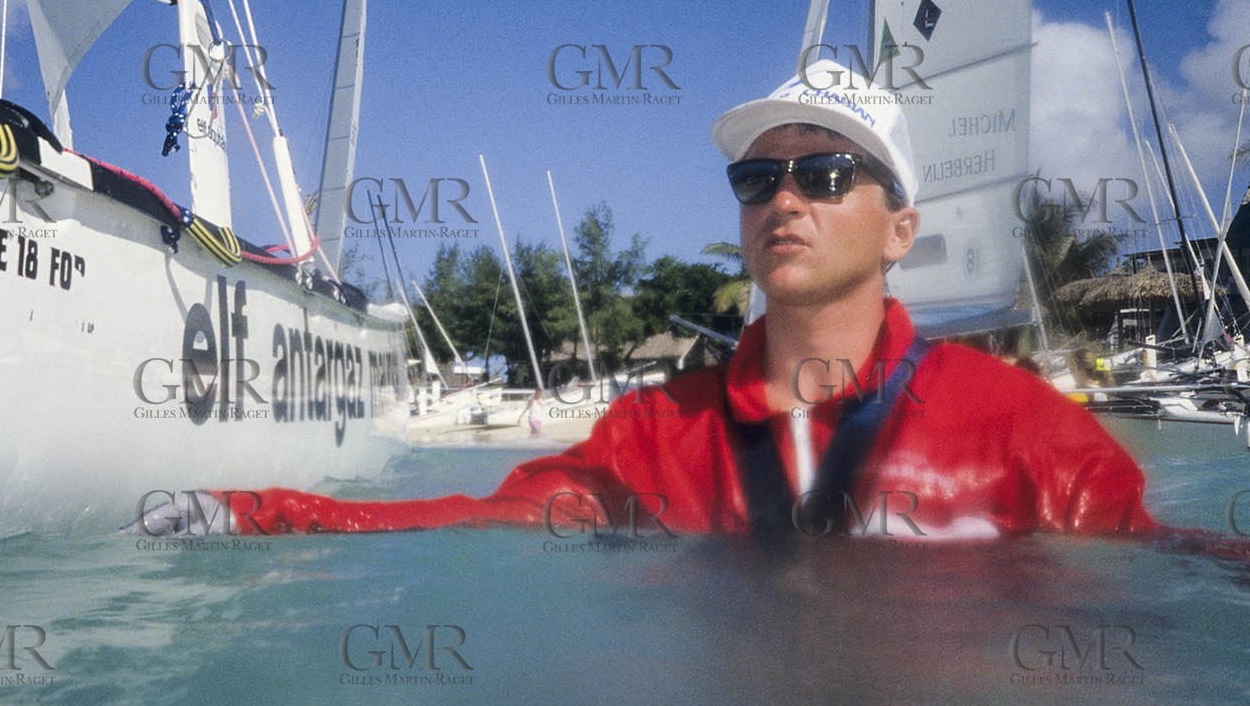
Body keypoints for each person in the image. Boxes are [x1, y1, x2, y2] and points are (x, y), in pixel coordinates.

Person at [145, 60, 1157, 540]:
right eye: (758, 180)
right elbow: (480, 518)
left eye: (826, 172)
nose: (786, 198)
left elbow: (1168, 585)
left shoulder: (1034, 435)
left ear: (900, 226)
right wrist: (256, 512)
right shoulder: (647, 436)